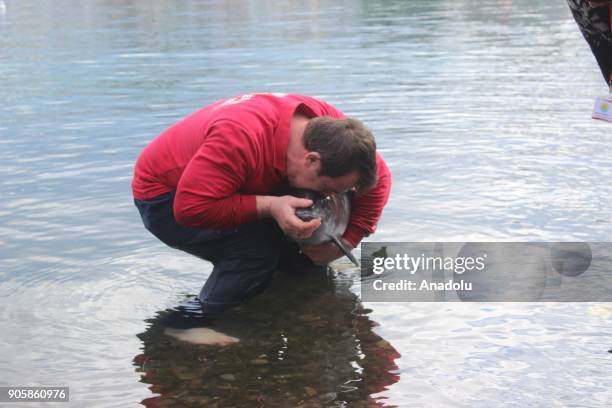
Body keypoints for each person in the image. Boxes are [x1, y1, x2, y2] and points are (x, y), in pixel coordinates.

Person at [132, 93, 391, 316]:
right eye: (326, 189)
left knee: (302, 247)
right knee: (256, 250)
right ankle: (196, 322)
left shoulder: (334, 134)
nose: (325, 197)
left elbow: (380, 179)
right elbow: (190, 209)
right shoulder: (240, 138)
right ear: (311, 160)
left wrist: (348, 240)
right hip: (167, 195)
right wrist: (270, 207)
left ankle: (294, 302)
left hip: (242, 178)